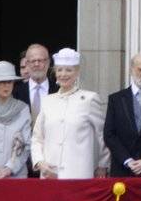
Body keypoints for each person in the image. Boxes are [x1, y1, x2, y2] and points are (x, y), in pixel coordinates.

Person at [31, 48, 108, 180]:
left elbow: (102, 135)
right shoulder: (48, 101)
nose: (63, 74)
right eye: (60, 70)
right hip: (50, 173)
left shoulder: (89, 99)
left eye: (68, 70)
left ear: (77, 72)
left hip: (79, 173)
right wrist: (39, 162)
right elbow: (37, 137)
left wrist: (102, 165)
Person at [14, 43, 55, 122]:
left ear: (48, 63)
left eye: (40, 60)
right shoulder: (15, 93)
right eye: (33, 61)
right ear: (28, 64)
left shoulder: (59, 90)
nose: (36, 64)